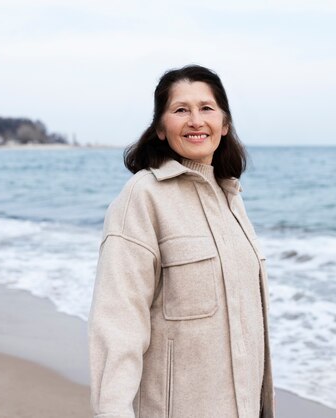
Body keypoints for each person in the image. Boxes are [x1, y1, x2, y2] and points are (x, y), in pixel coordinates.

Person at [88, 64, 274, 418]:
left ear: (225, 123)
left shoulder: (231, 197)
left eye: (206, 108)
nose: (195, 120)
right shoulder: (142, 196)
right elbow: (118, 322)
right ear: (160, 128)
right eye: (180, 110)